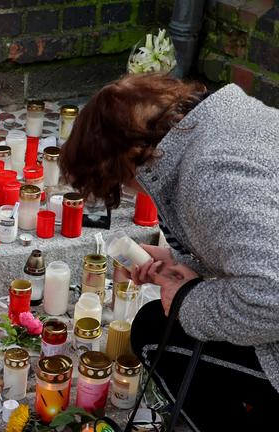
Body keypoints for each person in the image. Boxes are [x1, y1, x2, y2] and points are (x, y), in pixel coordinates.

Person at [59, 73, 279, 430]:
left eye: (120, 183)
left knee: (153, 332)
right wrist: (186, 262)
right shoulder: (222, 122)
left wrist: (188, 299)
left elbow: (270, 295)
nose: (132, 191)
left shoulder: (210, 173)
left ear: (127, 158)